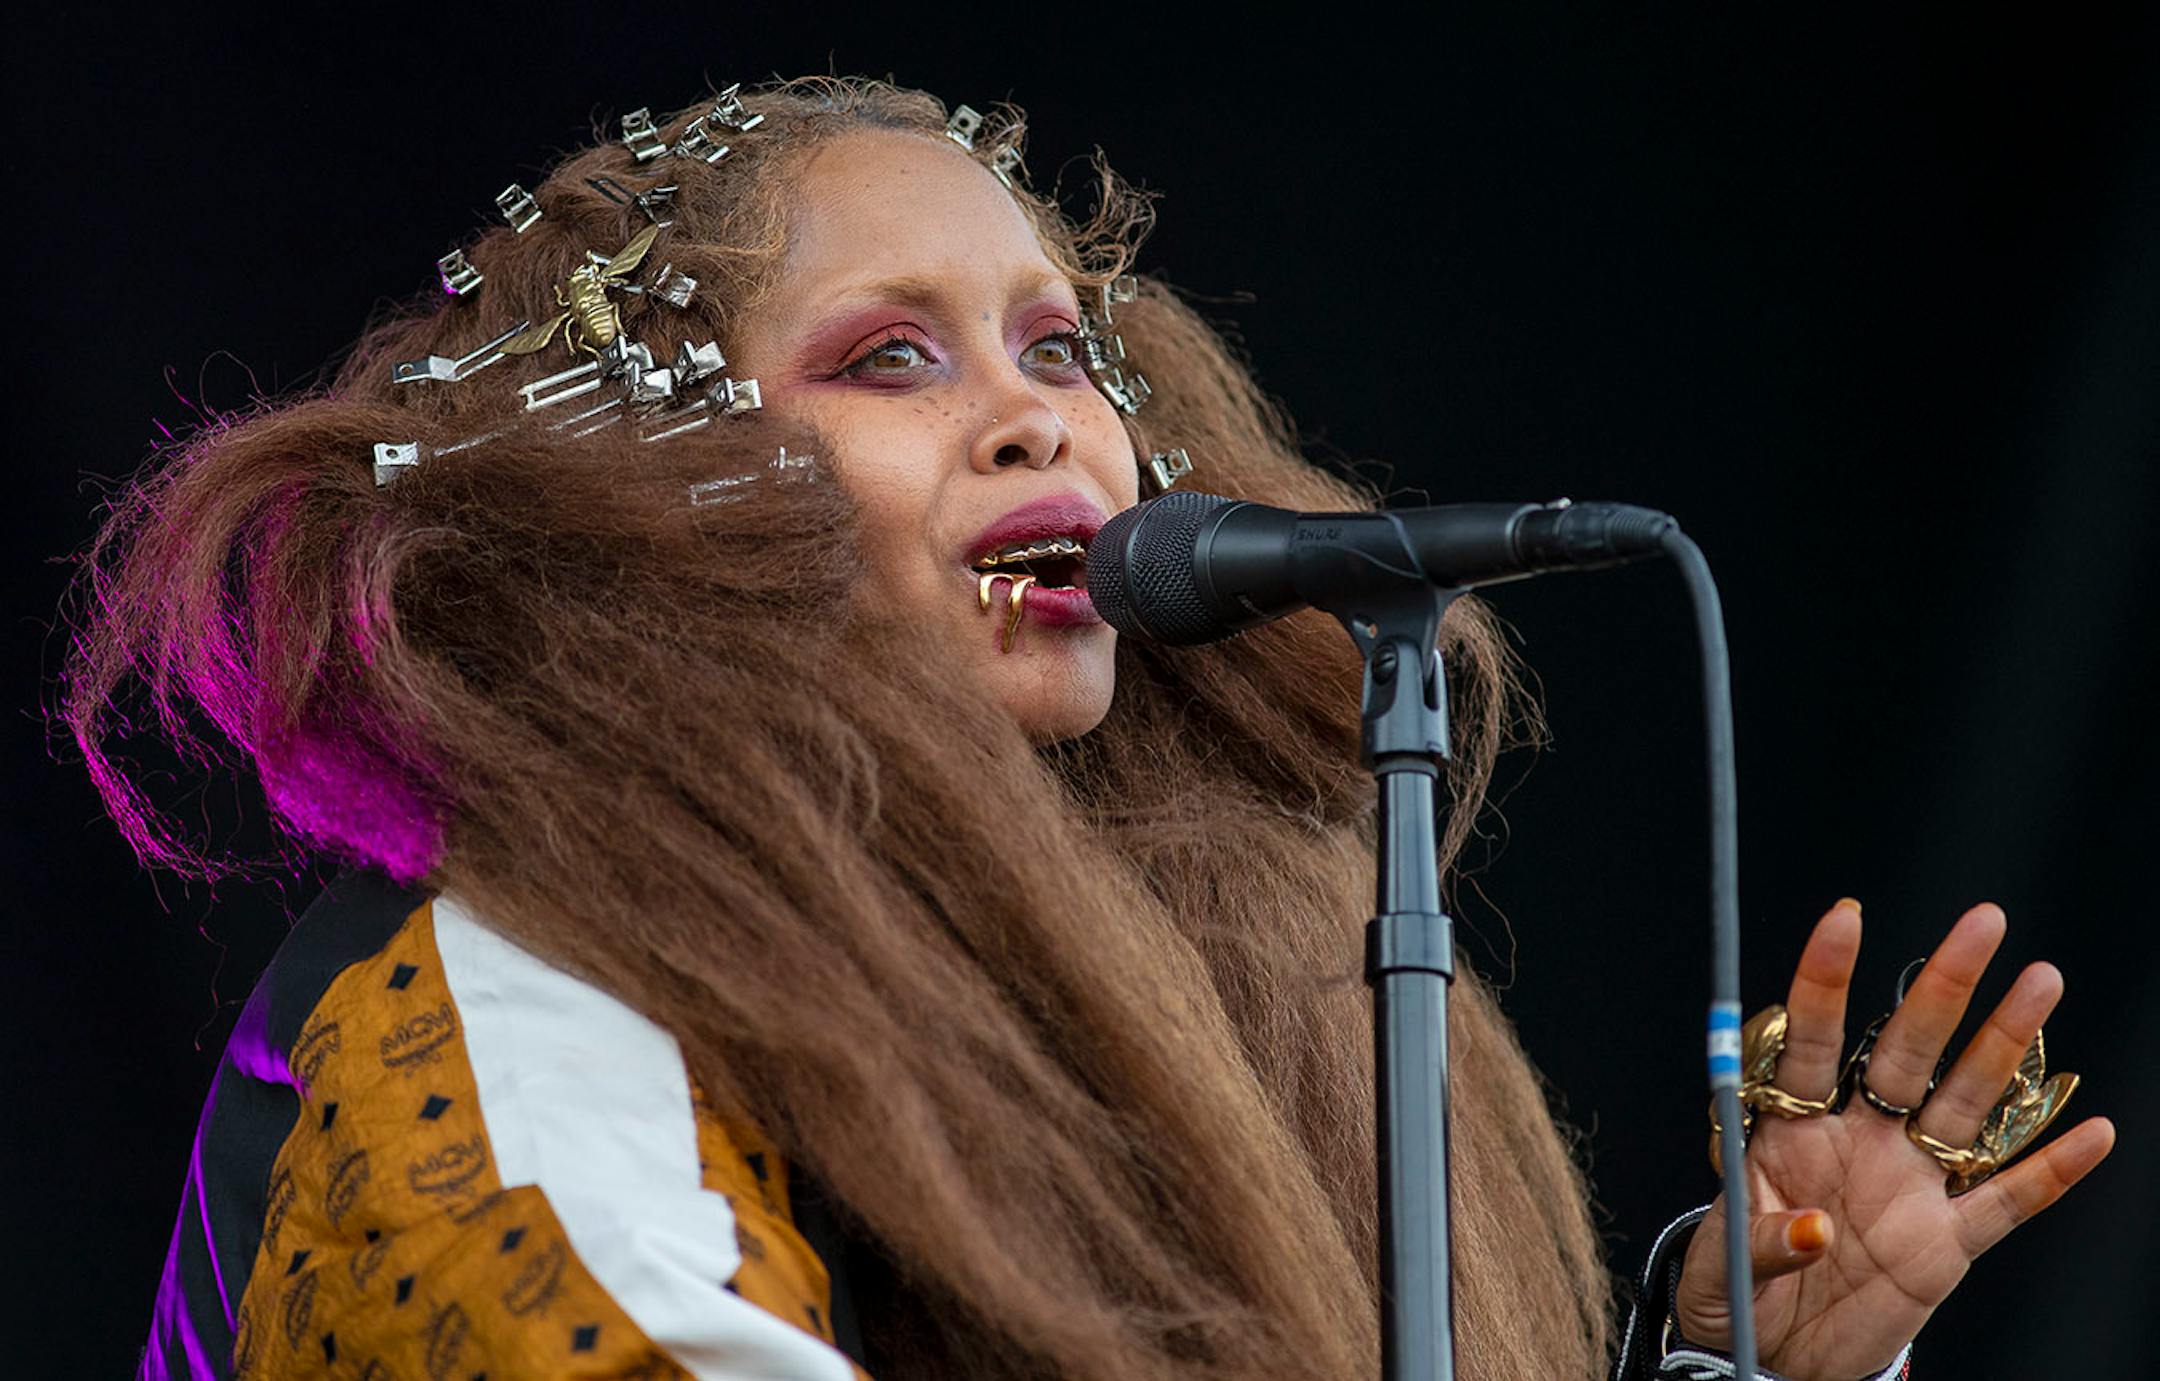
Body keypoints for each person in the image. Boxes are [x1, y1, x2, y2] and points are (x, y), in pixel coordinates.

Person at [66, 76, 2114, 1381]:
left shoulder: (1145, 1020)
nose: (1040, 411)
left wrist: (1736, 1367)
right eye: (890, 357)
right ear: (645, 491)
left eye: (1061, 346)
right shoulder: (504, 995)